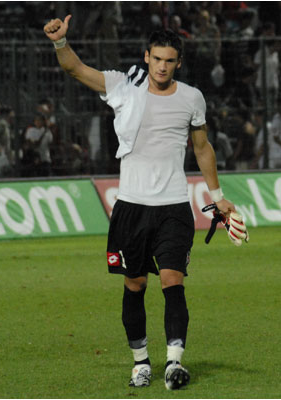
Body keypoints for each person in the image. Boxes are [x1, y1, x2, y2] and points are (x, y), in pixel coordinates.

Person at [44, 16, 242, 390]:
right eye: (157, 59)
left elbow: (202, 148)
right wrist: (60, 42)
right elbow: (74, 68)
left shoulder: (191, 98)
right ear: (146, 57)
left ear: (178, 62)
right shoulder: (124, 85)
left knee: (173, 282)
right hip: (131, 207)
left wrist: (218, 197)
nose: (162, 67)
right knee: (134, 286)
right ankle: (140, 363)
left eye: (170, 61)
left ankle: (174, 362)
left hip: (173, 207)